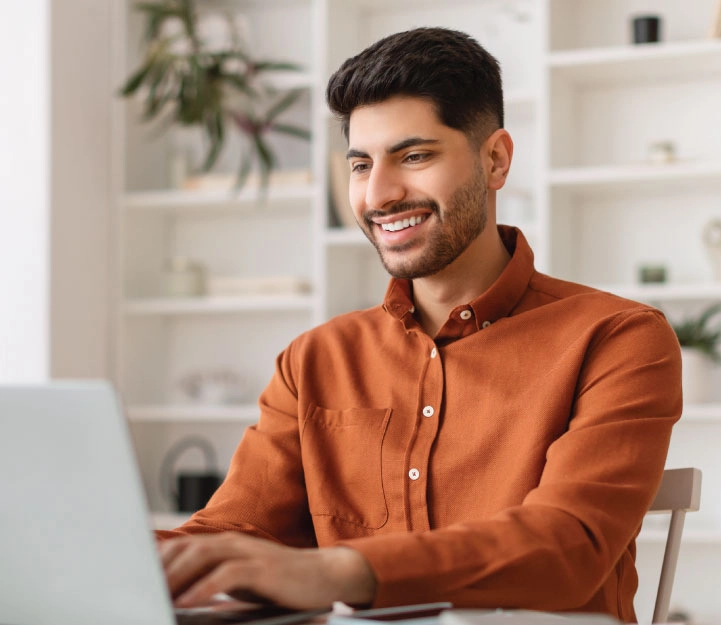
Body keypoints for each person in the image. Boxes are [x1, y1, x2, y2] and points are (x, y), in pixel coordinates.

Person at [157, 27, 682, 623]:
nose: (378, 194)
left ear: (496, 159)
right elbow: (235, 530)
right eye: (361, 164)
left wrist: (337, 571)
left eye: (414, 156)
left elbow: (567, 546)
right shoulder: (313, 360)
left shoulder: (618, 338)